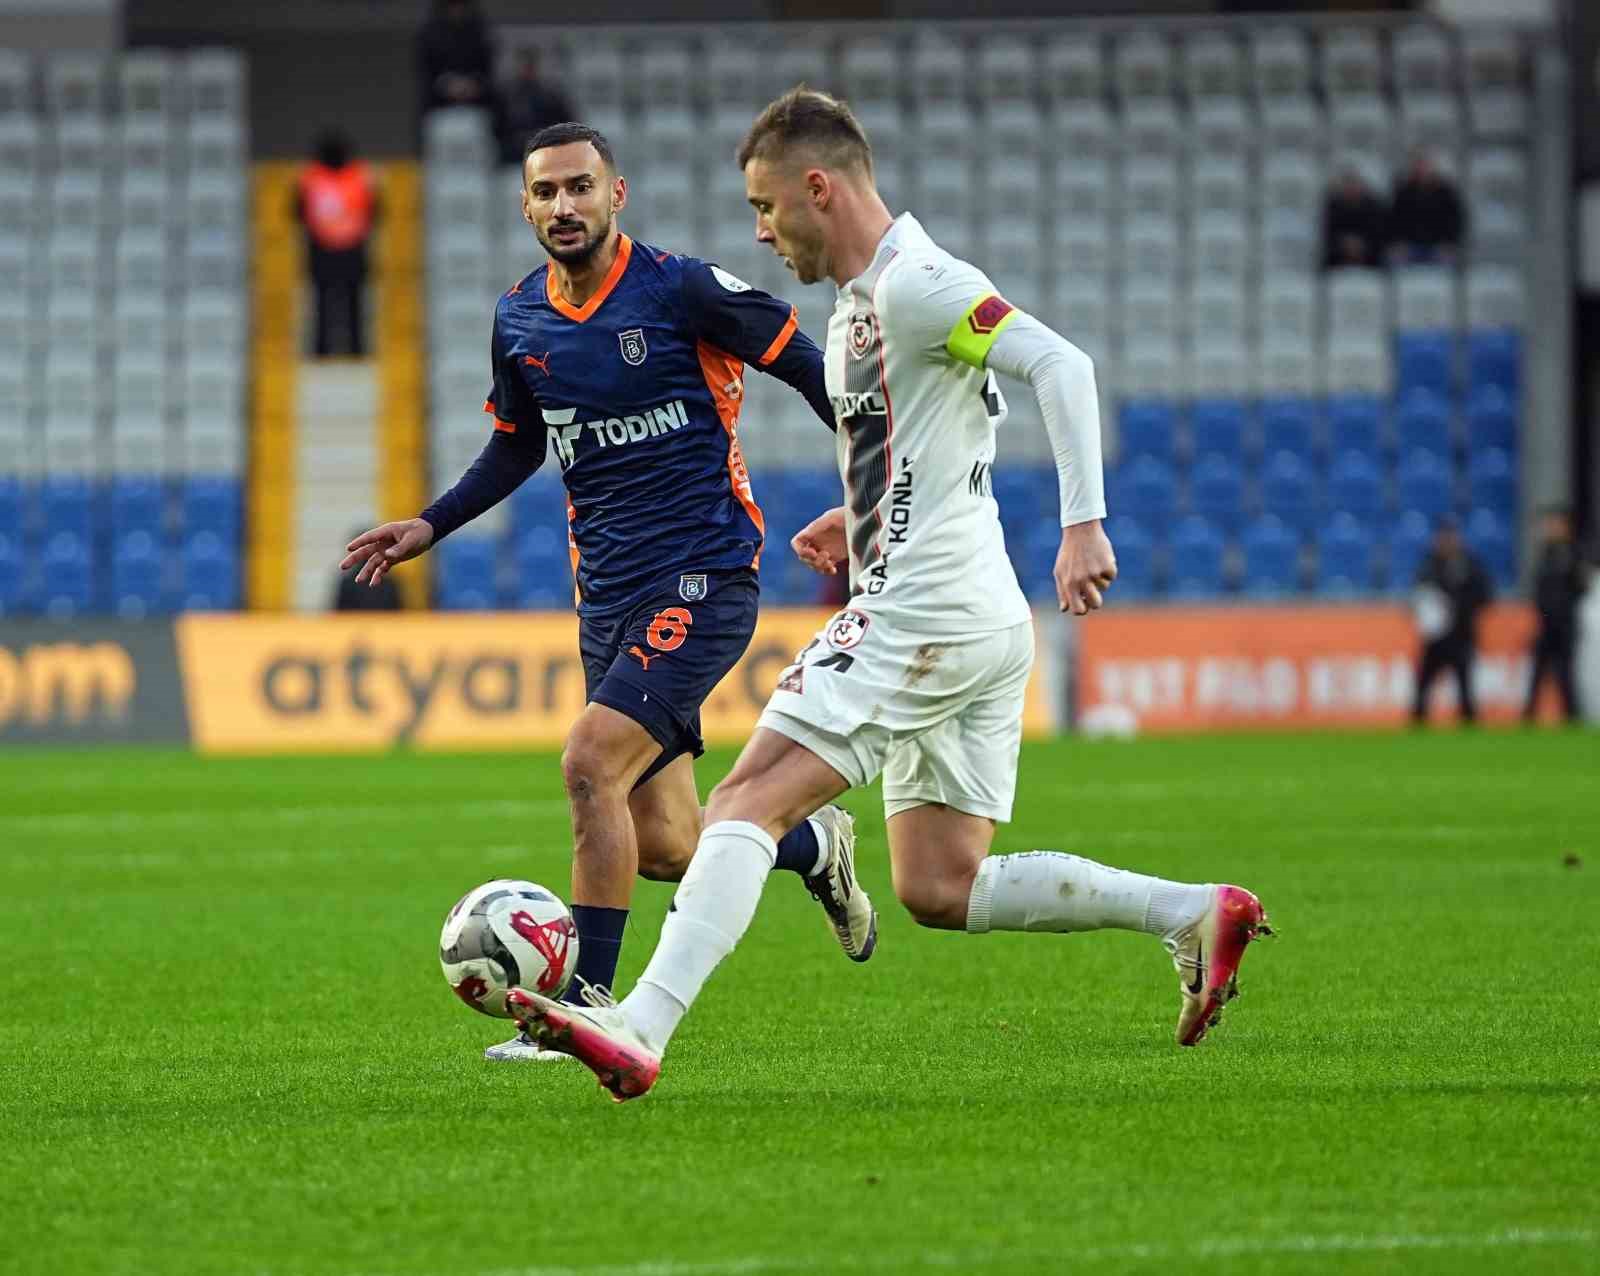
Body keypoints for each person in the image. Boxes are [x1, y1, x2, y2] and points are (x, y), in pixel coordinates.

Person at [505, 88, 1272, 1102]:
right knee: (939, 885)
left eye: (765, 205)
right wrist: (858, 511)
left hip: (922, 613)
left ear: (817, 188)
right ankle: (1191, 912)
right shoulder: (863, 304)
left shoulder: (918, 284)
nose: (760, 231)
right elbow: (949, 429)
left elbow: (1061, 365)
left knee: (742, 802)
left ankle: (639, 1026)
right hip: (975, 612)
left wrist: (1083, 523)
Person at [341, 123, 874, 1063]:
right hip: (609, 597)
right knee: (665, 843)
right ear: (525, 206)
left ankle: (583, 1007)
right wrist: (430, 523)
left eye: (580, 187)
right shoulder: (520, 319)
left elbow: (810, 367)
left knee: (589, 760)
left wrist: (870, 489)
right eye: (546, 192)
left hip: (705, 575)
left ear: (615, 193)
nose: (564, 206)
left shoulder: (682, 289)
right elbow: (518, 443)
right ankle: (811, 845)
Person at [296, 132, 379, 358]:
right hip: (329, 249)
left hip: (346, 249)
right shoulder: (312, 177)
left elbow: (375, 210)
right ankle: (328, 349)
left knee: (350, 302)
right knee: (326, 302)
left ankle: (352, 349)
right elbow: (298, 211)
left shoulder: (358, 176)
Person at [1411, 519, 1493, 725]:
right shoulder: (1429, 563)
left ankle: (1469, 722)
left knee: (1464, 685)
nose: (1445, 541)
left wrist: (1458, 607)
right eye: (1442, 537)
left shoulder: (1469, 564)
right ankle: (1417, 722)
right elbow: (1419, 594)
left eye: (1449, 536)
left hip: (1461, 634)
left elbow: (1485, 595)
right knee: (1423, 683)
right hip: (1436, 638)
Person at [1524, 507, 1587, 723]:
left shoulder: (1575, 554)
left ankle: (1571, 716)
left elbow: (1581, 587)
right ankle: (1529, 717)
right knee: (1538, 672)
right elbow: (1538, 588)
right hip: (1545, 622)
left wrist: (1564, 606)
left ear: (1566, 527)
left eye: (1555, 524)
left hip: (1565, 624)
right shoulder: (1546, 553)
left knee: (1565, 673)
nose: (1550, 529)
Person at [498, 49, 576, 166]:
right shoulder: (506, 97)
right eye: (523, 66)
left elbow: (565, 125)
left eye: (530, 66)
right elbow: (500, 129)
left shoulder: (551, 96)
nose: (526, 70)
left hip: (545, 149)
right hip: (515, 153)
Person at [1388, 149, 1465, 266]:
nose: (1422, 169)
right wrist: (1398, 242)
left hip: (1438, 247)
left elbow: (1455, 220)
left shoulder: (1446, 193)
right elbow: (1394, 220)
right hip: (1409, 247)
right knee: (1394, 258)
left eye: (1425, 165)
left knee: (1448, 258)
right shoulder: (1403, 192)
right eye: (1419, 165)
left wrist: (1448, 242)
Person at [417, 0, 493, 118]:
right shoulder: (430, 34)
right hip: (438, 99)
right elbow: (426, 69)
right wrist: (446, 84)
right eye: (453, 6)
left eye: (460, 6)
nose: (457, 11)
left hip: (476, 97)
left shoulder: (480, 31)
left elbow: (486, 67)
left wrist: (474, 84)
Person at [1321, 167, 1388, 270]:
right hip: (1340, 254)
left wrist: (1360, 246)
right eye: (1348, 186)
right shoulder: (1335, 207)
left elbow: (1377, 234)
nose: (1352, 189)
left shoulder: (1372, 207)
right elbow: (1330, 234)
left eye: (1354, 186)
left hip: (1368, 254)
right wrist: (1346, 245)